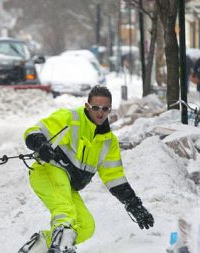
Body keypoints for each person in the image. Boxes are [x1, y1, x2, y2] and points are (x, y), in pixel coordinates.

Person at [18, 85, 154, 253]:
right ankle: (62, 247)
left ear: (110, 110)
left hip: (67, 184)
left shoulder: (108, 142)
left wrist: (134, 205)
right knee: (65, 212)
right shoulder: (71, 118)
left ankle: (36, 248)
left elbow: (114, 177)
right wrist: (40, 143)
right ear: (87, 106)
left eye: (105, 109)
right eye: (95, 107)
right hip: (48, 171)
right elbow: (34, 131)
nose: (100, 113)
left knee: (86, 226)